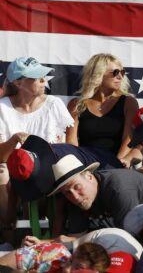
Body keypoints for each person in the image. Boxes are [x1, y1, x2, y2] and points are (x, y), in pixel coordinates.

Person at [0, 56, 74, 243]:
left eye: (43, 76)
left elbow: (65, 146)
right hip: (14, 167)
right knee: (1, 172)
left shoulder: (54, 104)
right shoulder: (2, 107)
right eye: (37, 76)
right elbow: (1, 157)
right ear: (18, 82)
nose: (44, 80)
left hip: (48, 165)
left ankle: (52, 237)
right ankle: (7, 233)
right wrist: (14, 138)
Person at [48, 155, 143, 235]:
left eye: (77, 187)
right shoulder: (76, 200)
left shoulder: (118, 188)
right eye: (67, 192)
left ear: (89, 176)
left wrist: (78, 241)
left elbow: (126, 239)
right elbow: (76, 236)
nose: (75, 196)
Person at [66, 54, 139, 165]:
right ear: (97, 74)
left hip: (116, 164)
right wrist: (80, 168)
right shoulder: (76, 104)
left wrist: (117, 165)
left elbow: (129, 139)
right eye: (115, 72)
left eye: (122, 72)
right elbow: (71, 142)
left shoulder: (129, 103)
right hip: (85, 164)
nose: (120, 76)